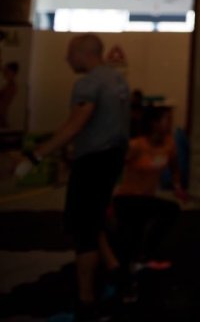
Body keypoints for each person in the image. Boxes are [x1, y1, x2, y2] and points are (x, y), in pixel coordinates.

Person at [15, 34, 130, 320]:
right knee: (93, 218)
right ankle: (117, 273)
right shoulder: (118, 81)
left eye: (70, 53)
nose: (67, 59)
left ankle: (86, 301)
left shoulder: (88, 83)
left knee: (83, 230)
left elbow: (77, 123)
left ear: (82, 53)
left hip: (93, 163)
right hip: (112, 158)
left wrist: (34, 156)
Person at [111, 105, 186, 300]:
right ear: (154, 124)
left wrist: (177, 185)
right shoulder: (137, 146)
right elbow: (113, 168)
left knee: (169, 211)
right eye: (166, 120)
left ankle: (141, 258)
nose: (170, 123)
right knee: (128, 241)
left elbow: (175, 167)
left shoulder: (169, 144)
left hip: (146, 199)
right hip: (127, 199)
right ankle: (125, 282)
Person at [0, 61, 18, 128]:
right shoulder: (8, 85)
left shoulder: (11, 87)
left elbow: (3, 104)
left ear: (12, 73)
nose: (4, 73)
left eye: (7, 71)